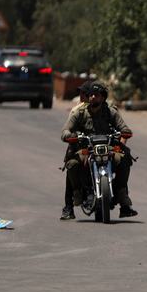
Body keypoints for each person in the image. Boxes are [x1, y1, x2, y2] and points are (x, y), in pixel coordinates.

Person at [60, 81, 136, 219]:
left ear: (103, 97)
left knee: (124, 159)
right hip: (86, 149)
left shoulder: (110, 112)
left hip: (108, 148)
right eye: (91, 95)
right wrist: (70, 136)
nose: (93, 97)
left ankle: (122, 195)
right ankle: (76, 195)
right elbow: (65, 130)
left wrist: (124, 133)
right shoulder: (79, 112)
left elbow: (124, 128)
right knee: (72, 164)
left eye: (97, 95)